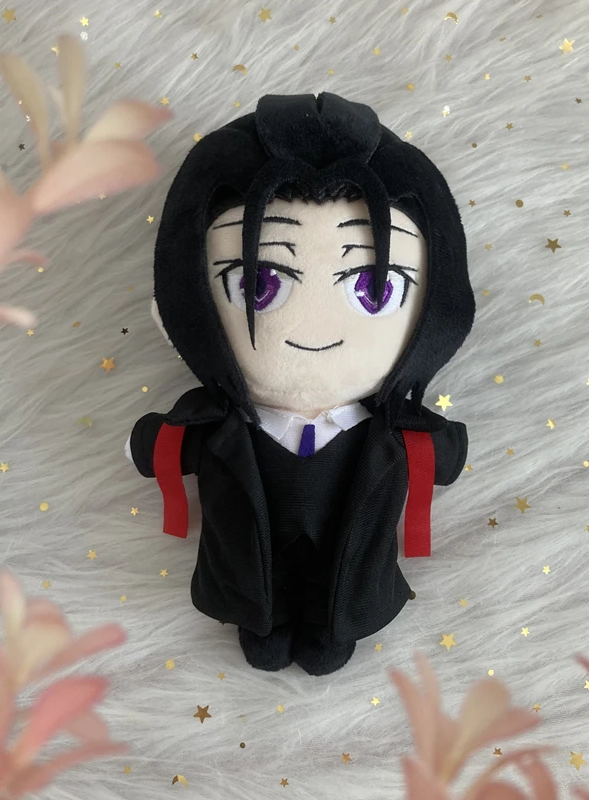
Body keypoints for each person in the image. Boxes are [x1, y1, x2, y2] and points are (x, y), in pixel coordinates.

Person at [127, 92, 475, 676]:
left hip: (351, 574)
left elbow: (441, 457)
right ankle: (262, 624)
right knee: (259, 601)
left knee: (338, 604)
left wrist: (448, 448)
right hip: (247, 571)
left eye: (374, 290)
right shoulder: (220, 425)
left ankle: (334, 628)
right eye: (258, 285)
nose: (315, 332)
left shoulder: (391, 431)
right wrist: (151, 443)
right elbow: (159, 448)